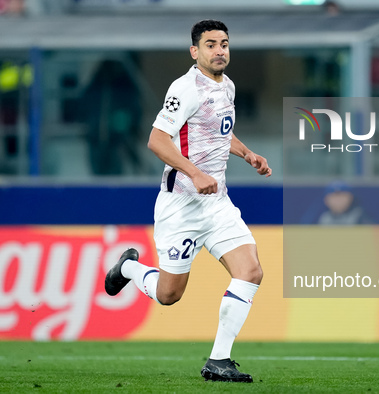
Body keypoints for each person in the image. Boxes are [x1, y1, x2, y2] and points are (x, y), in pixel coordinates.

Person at [104, 19, 272, 383]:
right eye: (211, 44)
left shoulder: (226, 85)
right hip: (181, 207)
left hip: (217, 204)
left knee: (251, 271)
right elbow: (157, 141)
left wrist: (247, 153)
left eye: (224, 43)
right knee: (168, 295)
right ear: (195, 51)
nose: (220, 50)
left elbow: (216, 132)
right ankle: (128, 269)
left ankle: (219, 360)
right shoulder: (185, 88)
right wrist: (194, 173)